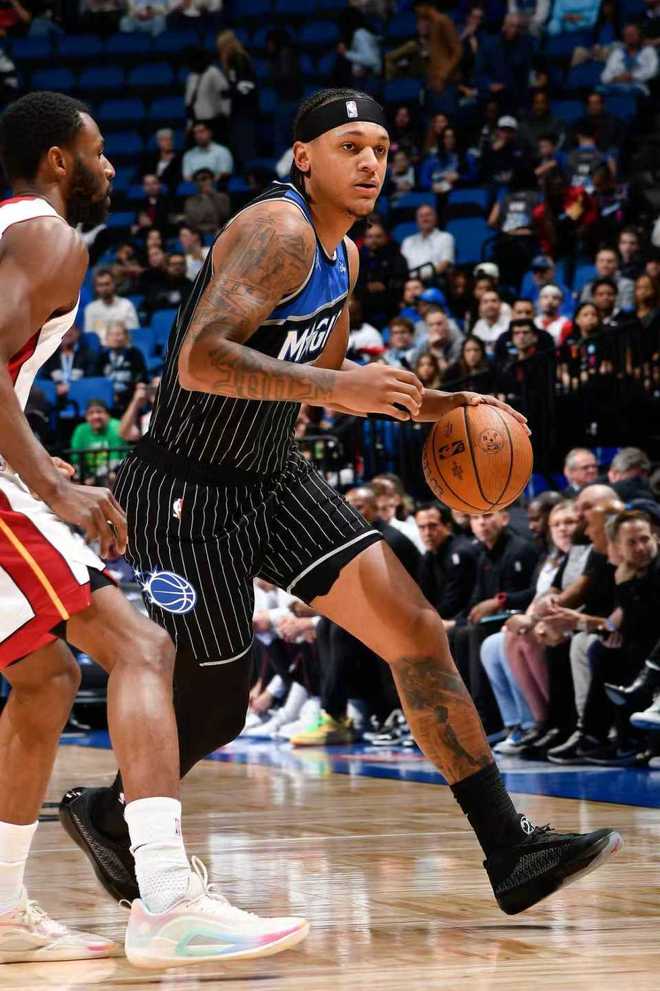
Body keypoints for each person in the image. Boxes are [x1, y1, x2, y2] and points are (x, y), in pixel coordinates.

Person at [64, 86, 620, 920]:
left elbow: (328, 382)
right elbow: (200, 361)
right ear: (303, 156)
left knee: (416, 627)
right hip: (186, 488)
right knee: (217, 705)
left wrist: (448, 405)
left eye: (381, 150)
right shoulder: (277, 230)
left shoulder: (344, 256)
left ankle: (510, 847)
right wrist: (338, 387)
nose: (369, 163)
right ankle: (110, 816)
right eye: (350, 146)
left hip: (272, 475)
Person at [0, 91, 307, 968]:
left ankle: (3, 909)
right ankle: (168, 898)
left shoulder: (11, 229)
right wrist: (50, 489)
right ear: (58, 159)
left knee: (46, 679)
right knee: (141, 648)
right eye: (97, 150)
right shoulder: (51, 237)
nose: (109, 166)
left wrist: (49, 476)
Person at [415, 502, 478, 628]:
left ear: (447, 526)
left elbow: (455, 602)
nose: (427, 533)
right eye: (422, 527)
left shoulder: (460, 553)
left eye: (433, 526)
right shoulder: (428, 556)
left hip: (463, 620)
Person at [69, 397, 129, 483]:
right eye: (91, 413)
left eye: (99, 412)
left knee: (112, 476)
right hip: (89, 476)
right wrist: (83, 477)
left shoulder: (116, 427)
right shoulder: (80, 430)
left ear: (108, 415)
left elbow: (114, 460)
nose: (95, 416)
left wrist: (95, 478)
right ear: (86, 416)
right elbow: (75, 458)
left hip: (113, 472)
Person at [95, 322, 147, 414]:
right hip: (106, 398)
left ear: (126, 337)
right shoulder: (101, 357)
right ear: (106, 338)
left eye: (119, 334)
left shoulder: (135, 354)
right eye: (112, 335)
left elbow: (141, 378)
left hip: (129, 398)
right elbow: (96, 380)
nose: (115, 338)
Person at [400, 204, 455, 281]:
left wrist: (420, 278)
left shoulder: (445, 237)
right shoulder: (407, 241)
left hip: (433, 280)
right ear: (417, 220)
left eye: (428, 215)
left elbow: (445, 264)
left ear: (435, 218)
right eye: (421, 216)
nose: (425, 219)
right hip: (409, 281)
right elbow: (401, 266)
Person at [83, 268, 139, 344]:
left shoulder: (126, 305)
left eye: (107, 284)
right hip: (99, 348)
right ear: (96, 288)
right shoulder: (90, 309)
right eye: (100, 285)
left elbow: (133, 332)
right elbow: (89, 336)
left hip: (122, 346)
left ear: (114, 284)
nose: (104, 288)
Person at [183, 167, 230, 236]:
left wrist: (214, 196)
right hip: (200, 234)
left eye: (210, 178)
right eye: (203, 179)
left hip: (221, 231)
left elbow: (224, 216)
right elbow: (194, 222)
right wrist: (206, 198)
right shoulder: (190, 201)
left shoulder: (223, 197)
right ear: (196, 183)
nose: (208, 181)